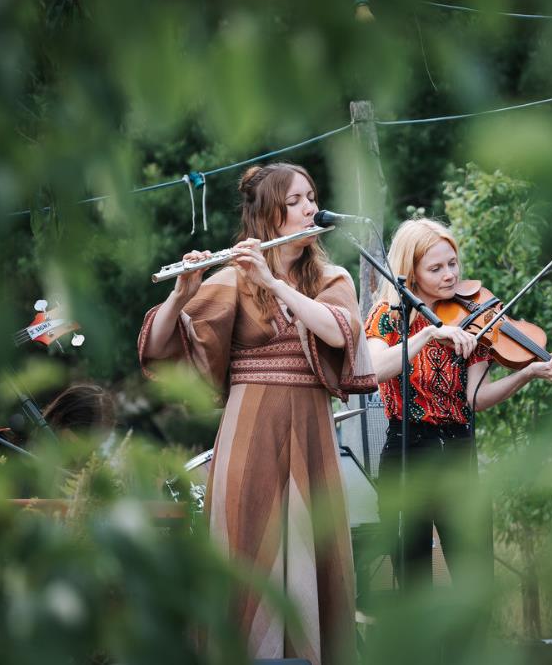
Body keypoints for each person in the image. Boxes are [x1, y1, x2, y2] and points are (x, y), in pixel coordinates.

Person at [138, 162, 376, 665]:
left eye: (311, 197)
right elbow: (159, 346)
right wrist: (180, 294)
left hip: (310, 427)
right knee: (246, 547)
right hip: (250, 428)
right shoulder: (232, 279)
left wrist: (275, 280)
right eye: (296, 201)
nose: (311, 208)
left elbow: (340, 332)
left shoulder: (330, 278)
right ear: (268, 213)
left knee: (315, 549)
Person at [363, 218, 552, 596]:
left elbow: (476, 398)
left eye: (453, 263)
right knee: (415, 588)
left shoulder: (470, 317)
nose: (450, 275)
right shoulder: (388, 318)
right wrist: (428, 332)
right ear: (411, 272)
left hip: (459, 452)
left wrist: (528, 373)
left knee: (474, 582)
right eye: (436, 268)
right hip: (409, 452)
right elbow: (375, 369)